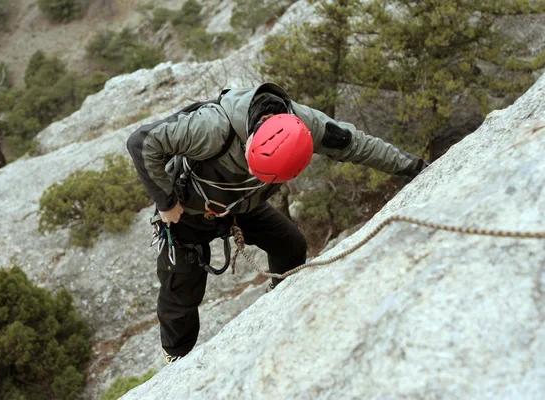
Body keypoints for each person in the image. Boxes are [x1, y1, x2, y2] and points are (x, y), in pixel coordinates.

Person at [126, 82, 428, 363]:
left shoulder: (303, 125)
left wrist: (416, 167)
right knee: (181, 296)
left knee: (291, 246)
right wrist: (166, 203)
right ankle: (175, 361)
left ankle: (278, 305)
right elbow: (141, 142)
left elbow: (356, 144)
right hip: (188, 213)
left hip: (242, 205)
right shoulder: (211, 128)